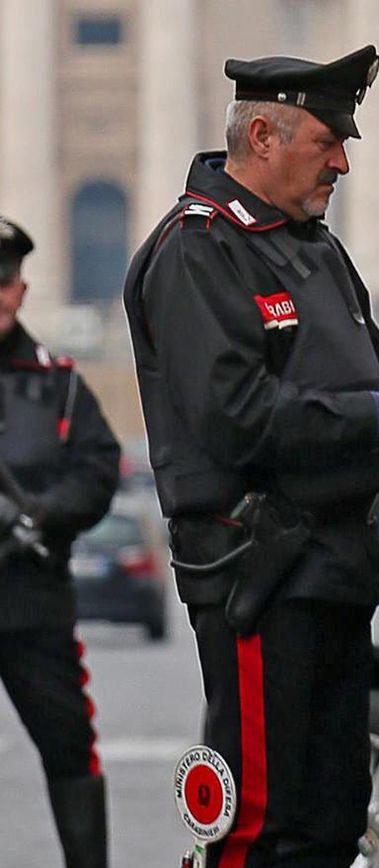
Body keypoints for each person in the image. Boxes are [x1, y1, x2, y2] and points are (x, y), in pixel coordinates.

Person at [123, 46, 379, 868]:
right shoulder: (198, 252)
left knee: (334, 823)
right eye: (328, 140)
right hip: (263, 573)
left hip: (336, 563)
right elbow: (238, 421)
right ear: (262, 134)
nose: (343, 161)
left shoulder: (313, 248)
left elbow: (363, 390)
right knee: (259, 826)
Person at [0, 216, 121, 868]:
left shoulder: (60, 382)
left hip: (31, 602)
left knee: (70, 747)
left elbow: (98, 472)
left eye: (4, 283)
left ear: (20, 291)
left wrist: (46, 514)